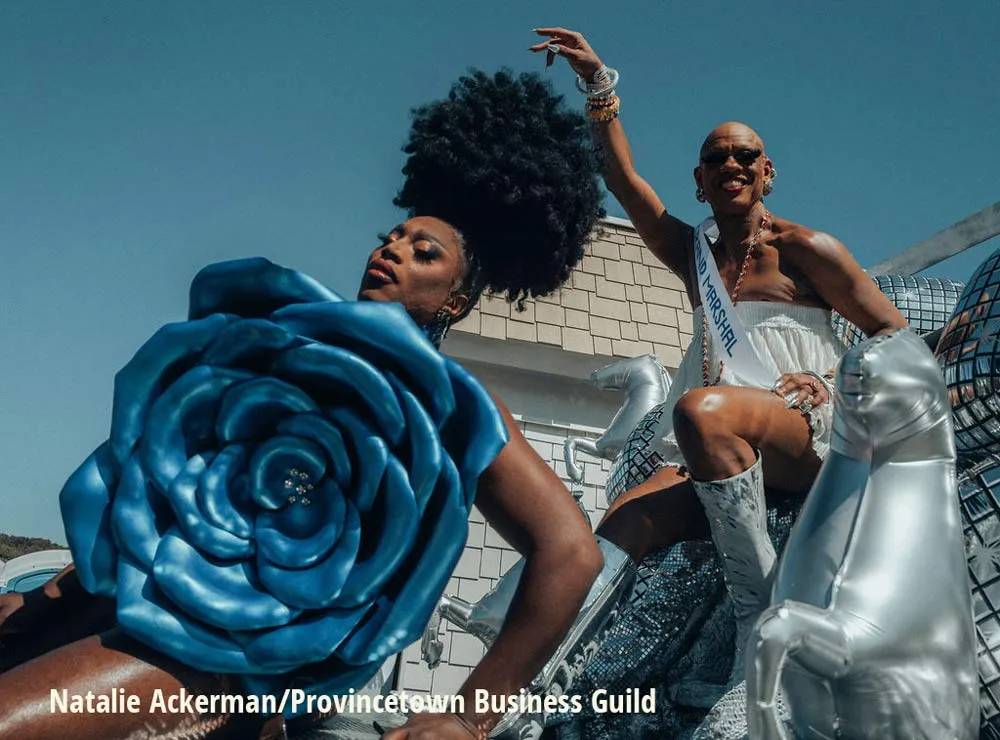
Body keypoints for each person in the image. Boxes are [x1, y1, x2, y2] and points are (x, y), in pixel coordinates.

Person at [0, 69, 607, 740]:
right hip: (122, 607)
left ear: (457, 300)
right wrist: (51, 596)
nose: (393, 250)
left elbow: (571, 551)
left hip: (231, 673)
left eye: (424, 252)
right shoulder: (285, 347)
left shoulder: (460, 407)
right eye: (393, 236)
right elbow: (161, 492)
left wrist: (469, 717)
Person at [530, 27, 908, 738]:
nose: (730, 162)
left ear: (768, 173)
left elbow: (895, 336)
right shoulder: (693, 254)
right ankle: (540, 694)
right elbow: (623, 182)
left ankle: (755, 623)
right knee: (617, 526)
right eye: (715, 157)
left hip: (808, 435)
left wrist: (831, 376)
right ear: (699, 180)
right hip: (715, 446)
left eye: (745, 154)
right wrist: (597, 86)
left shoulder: (807, 249)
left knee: (702, 411)